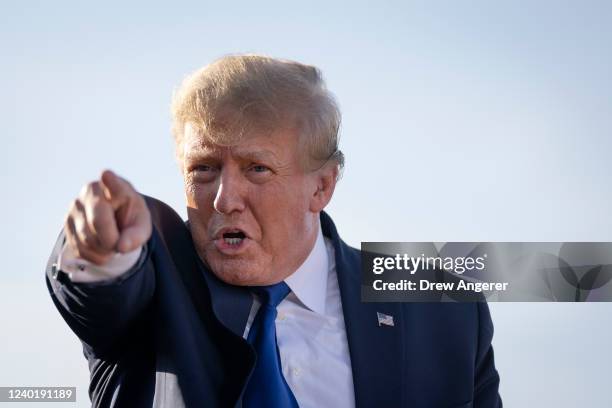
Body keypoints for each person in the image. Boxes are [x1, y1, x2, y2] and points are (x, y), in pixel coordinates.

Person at [45, 54, 502, 407]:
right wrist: (102, 250)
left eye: (257, 168)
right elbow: (100, 289)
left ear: (321, 187)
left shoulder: (441, 306)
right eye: (203, 168)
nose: (224, 198)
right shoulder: (156, 279)